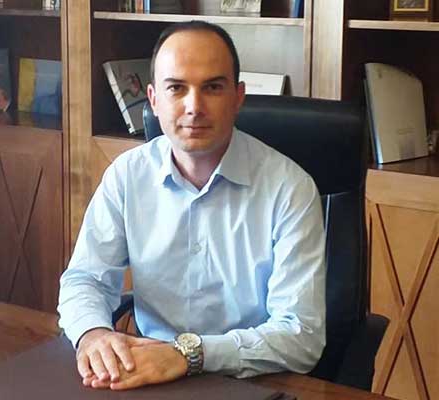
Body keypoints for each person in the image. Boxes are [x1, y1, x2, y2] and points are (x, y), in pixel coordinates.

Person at [58, 20, 326, 391]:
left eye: (212, 87)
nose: (194, 107)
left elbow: (300, 336)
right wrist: (93, 334)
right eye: (176, 88)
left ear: (238, 97)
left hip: (252, 381)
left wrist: (187, 355)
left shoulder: (290, 189)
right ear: (153, 99)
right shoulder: (127, 175)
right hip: (147, 375)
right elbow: (85, 279)